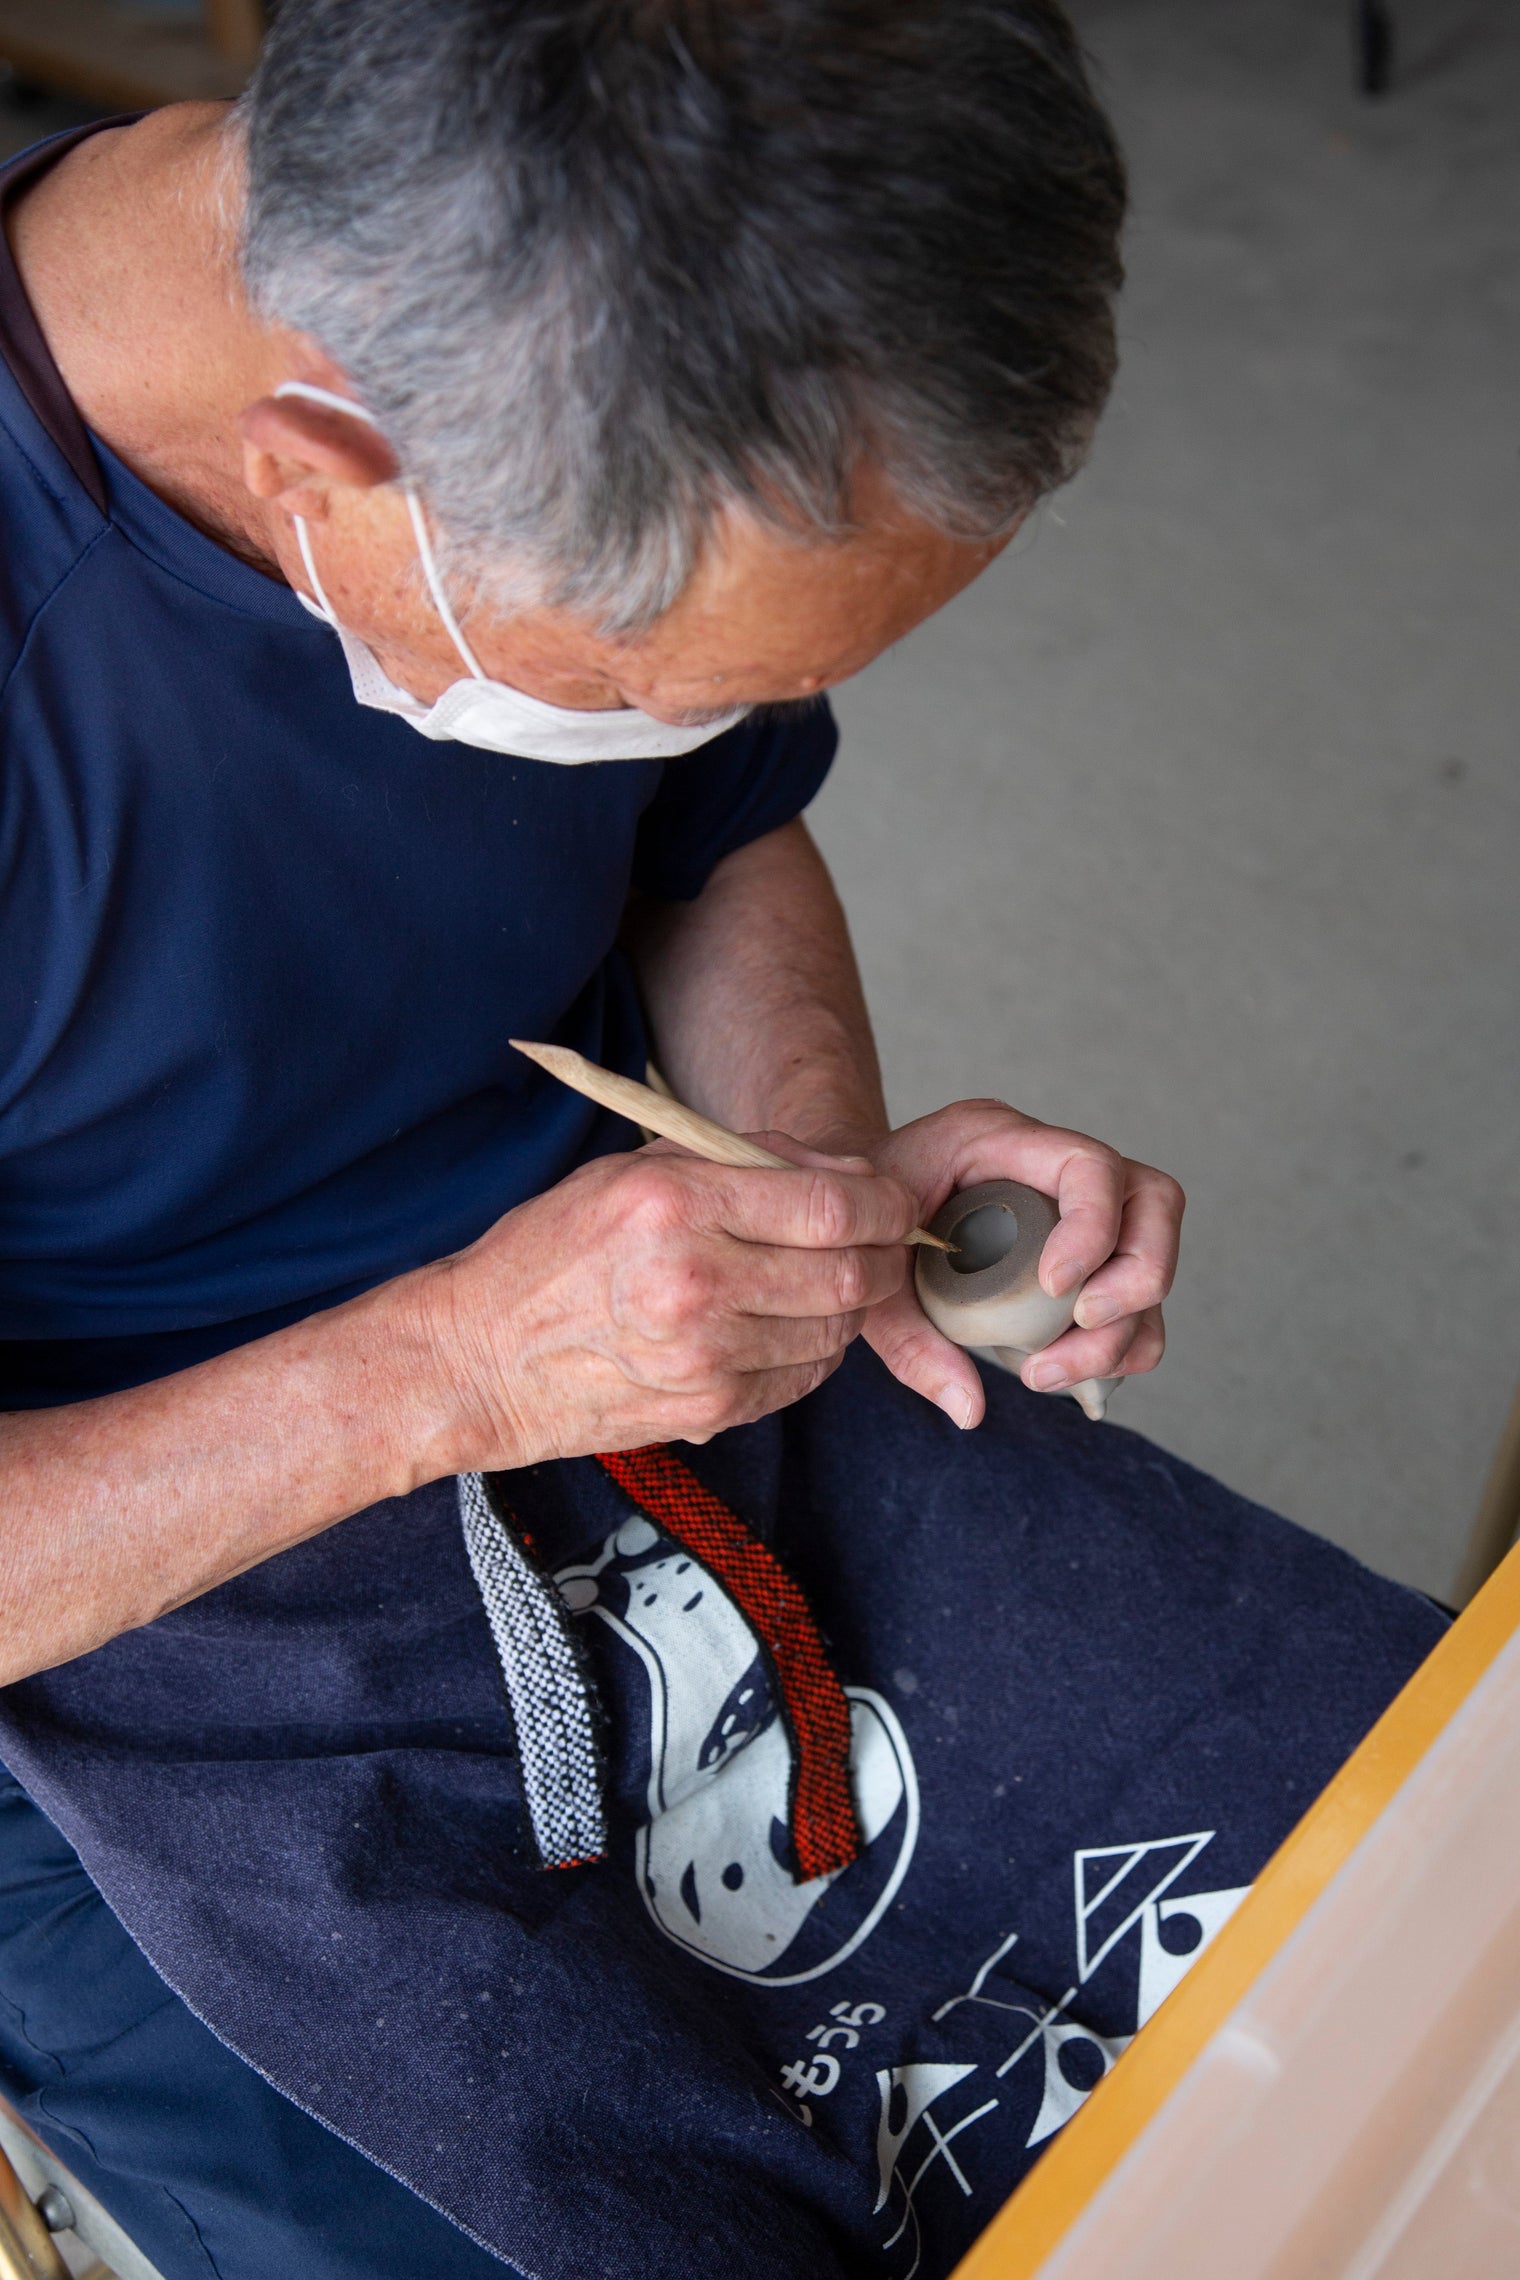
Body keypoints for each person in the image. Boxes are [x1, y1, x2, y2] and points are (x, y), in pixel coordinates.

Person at [0, 6, 1442, 2277]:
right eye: (656, 684)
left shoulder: (553, 325)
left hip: (632, 1341)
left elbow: (713, 834)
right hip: (131, 1623)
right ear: (321, 463)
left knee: (1427, 1913)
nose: (714, 730)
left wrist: (805, 1160)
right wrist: (455, 1371)